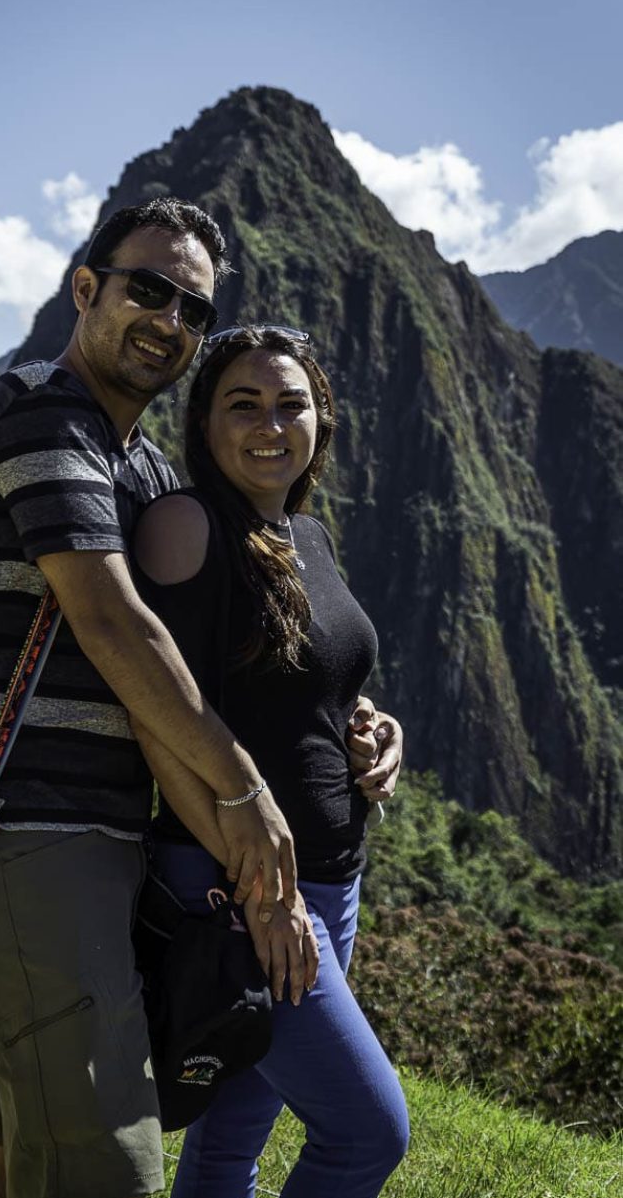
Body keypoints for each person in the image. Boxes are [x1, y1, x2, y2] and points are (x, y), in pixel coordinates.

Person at [0, 197, 401, 1198]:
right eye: (147, 287)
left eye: (191, 304)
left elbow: (253, 675)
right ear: (86, 287)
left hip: (105, 830)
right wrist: (247, 800)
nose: (168, 316)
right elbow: (114, 623)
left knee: (11, 1137)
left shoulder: (138, 465)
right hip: (34, 828)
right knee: (109, 1165)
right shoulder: (45, 408)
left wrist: (365, 727)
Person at [131, 325, 410, 1198]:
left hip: (331, 881)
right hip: (240, 887)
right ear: (203, 423)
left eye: (291, 403)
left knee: (227, 1146)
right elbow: (160, 712)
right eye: (242, 403)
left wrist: (375, 727)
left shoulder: (304, 533)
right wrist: (263, 890)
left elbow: (304, 687)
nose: (270, 423)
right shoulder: (188, 525)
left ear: (320, 420)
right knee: (368, 1132)